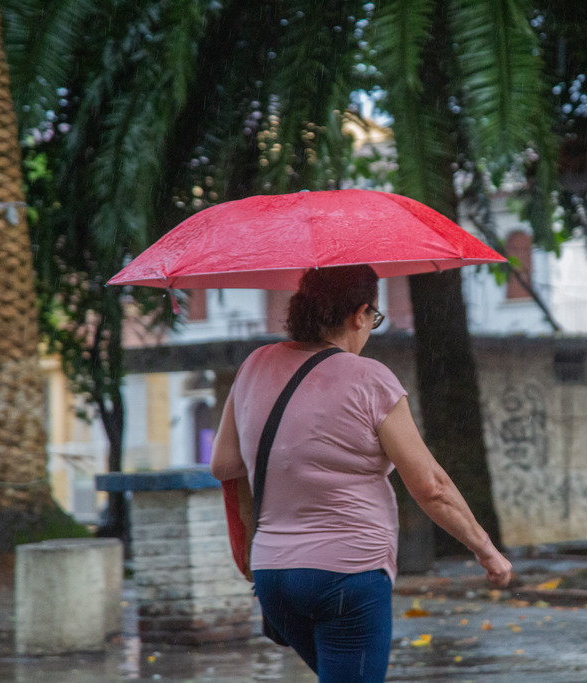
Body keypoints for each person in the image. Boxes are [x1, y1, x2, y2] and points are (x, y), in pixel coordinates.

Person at [210, 264, 512, 683]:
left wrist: (251, 549)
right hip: (348, 576)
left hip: (273, 576)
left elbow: (224, 465)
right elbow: (430, 485)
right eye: (374, 317)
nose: (371, 327)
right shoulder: (370, 379)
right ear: (360, 313)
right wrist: (485, 550)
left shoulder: (255, 365)